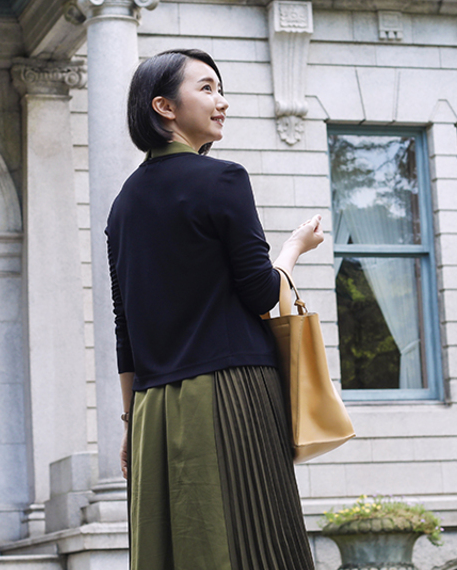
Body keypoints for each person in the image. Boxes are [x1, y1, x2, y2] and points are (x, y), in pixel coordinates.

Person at [106, 48, 325, 569]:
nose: (221, 101)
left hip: (154, 409)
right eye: (206, 88)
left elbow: (125, 328)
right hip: (233, 394)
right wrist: (293, 250)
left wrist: (130, 422)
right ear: (164, 107)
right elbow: (261, 293)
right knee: (256, 546)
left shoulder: (122, 205)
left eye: (220, 88)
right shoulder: (223, 179)